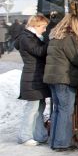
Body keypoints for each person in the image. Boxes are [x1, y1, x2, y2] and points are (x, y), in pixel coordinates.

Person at [43, 14, 78, 151]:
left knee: (57, 110)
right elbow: (76, 59)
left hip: (52, 78)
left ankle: (55, 141)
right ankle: (62, 143)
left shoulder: (55, 37)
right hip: (64, 79)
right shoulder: (68, 38)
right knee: (65, 110)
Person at [15, 14, 50, 145]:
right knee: (32, 109)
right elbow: (39, 51)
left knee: (40, 108)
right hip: (31, 78)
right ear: (36, 25)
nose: (45, 30)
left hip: (36, 77)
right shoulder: (26, 38)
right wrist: (50, 41)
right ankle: (24, 136)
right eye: (43, 27)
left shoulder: (33, 37)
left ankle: (39, 135)